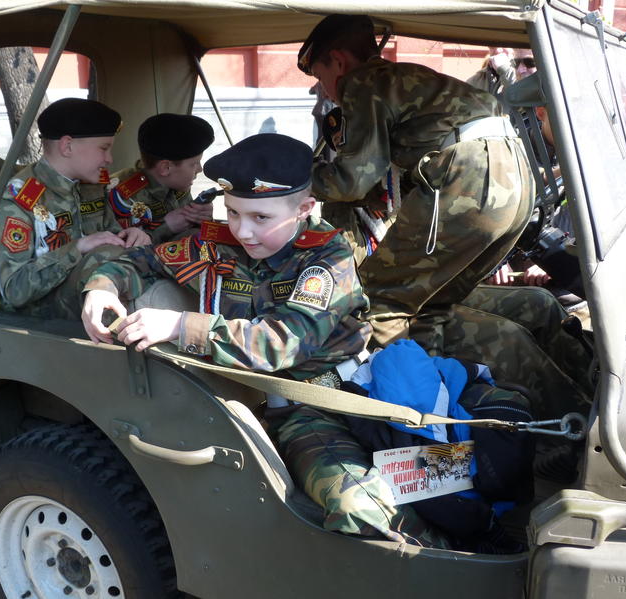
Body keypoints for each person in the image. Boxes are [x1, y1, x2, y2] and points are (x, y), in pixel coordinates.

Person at [81, 133, 445, 547]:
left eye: (261, 218)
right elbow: (143, 260)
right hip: (305, 413)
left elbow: (283, 342)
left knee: (455, 474)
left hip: (361, 395)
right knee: (359, 507)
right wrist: (102, 287)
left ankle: (459, 552)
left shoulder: (326, 259)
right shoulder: (217, 244)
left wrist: (182, 326)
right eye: (233, 212)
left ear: (304, 209)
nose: (243, 231)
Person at [298, 14, 535, 349]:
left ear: (338, 61)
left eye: (321, 78)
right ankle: (452, 376)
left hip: (470, 177)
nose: (325, 91)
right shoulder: (405, 79)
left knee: (376, 300)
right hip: (514, 175)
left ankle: (402, 382)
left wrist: (297, 180)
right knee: (432, 302)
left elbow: (352, 181)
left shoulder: (362, 81)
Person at [0, 98, 151, 319]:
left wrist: (129, 236)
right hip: (40, 313)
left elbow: (111, 238)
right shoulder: (22, 198)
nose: (109, 159)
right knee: (107, 259)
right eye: (104, 148)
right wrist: (78, 248)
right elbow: (15, 291)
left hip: (93, 290)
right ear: (67, 146)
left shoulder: (91, 186)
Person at [108, 113, 215, 243]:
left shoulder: (177, 183)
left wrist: (201, 218)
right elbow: (121, 247)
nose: (200, 169)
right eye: (195, 164)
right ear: (166, 168)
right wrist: (166, 227)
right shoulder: (119, 194)